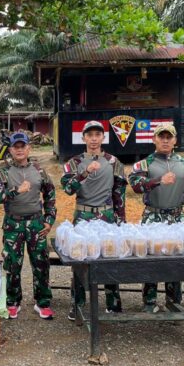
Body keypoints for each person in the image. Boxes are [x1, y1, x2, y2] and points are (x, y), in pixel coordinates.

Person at [129, 124, 184, 313]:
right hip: (153, 216)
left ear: (175, 140)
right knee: (150, 257)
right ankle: (149, 301)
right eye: (162, 137)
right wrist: (158, 180)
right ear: (154, 139)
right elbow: (135, 186)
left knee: (176, 258)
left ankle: (173, 301)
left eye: (169, 137)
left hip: (177, 217)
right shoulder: (144, 164)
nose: (165, 140)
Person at [61, 120, 127, 321]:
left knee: (109, 258)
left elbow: (119, 194)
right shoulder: (74, 163)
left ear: (103, 137)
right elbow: (68, 189)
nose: (93, 139)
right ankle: (78, 305)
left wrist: (121, 220)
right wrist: (85, 172)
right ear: (83, 138)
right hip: (84, 216)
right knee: (80, 261)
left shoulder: (113, 162)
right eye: (89, 135)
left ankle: (113, 303)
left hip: (106, 216)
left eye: (97, 135)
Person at [0, 132, 57, 320]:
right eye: (15, 147)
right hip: (13, 223)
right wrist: (15, 190)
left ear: (29, 148)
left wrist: (49, 219)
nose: (19, 150)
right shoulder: (3, 173)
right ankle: (12, 301)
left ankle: (42, 302)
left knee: (41, 263)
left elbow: (50, 195)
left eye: (23, 146)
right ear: (10, 150)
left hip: (36, 223)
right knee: (12, 263)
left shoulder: (39, 171)